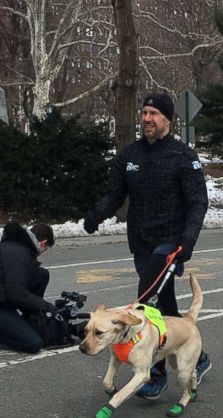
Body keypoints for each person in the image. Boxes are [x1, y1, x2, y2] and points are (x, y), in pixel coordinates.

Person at [82, 92, 212, 400]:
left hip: (171, 243)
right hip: (141, 241)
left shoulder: (183, 156)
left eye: (153, 113)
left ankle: (154, 375)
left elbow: (198, 202)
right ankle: (197, 354)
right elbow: (114, 193)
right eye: (144, 113)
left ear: (167, 119)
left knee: (146, 301)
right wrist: (95, 216)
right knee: (164, 306)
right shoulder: (131, 155)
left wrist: (187, 241)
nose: (147, 119)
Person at [0, 222, 62, 353]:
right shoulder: (18, 253)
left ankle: (30, 322)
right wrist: (45, 306)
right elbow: (17, 294)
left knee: (41, 275)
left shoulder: (20, 248)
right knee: (34, 343)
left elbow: (20, 287)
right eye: (46, 249)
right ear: (43, 243)